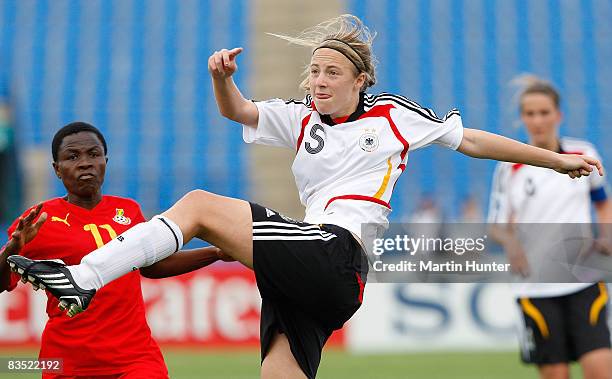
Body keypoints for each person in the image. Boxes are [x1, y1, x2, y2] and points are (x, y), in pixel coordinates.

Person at [7, 15, 605, 379]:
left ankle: (84, 277)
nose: (316, 81)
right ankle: (84, 279)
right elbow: (239, 110)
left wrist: (556, 161)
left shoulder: (394, 116)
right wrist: (222, 78)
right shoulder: (299, 118)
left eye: (328, 73)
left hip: (337, 253)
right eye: (312, 72)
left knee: (193, 205)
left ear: (359, 79)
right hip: (313, 275)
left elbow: (472, 140)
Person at [0, 122, 231, 378]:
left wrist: (215, 253)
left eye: (94, 154)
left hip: (135, 358)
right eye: (73, 156)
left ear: (105, 162)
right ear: (57, 169)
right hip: (67, 362)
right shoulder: (39, 219)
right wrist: (12, 249)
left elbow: (152, 267)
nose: (85, 162)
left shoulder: (129, 210)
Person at [488, 76, 612, 379]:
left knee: (600, 369)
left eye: (544, 112)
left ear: (558, 115)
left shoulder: (582, 154)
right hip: (535, 287)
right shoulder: (510, 166)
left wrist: (606, 234)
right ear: (522, 118)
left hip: (584, 280)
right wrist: (512, 245)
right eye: (530, 114)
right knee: (556, 375)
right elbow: (497, 226)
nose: (537, 120)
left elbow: (602, 202)